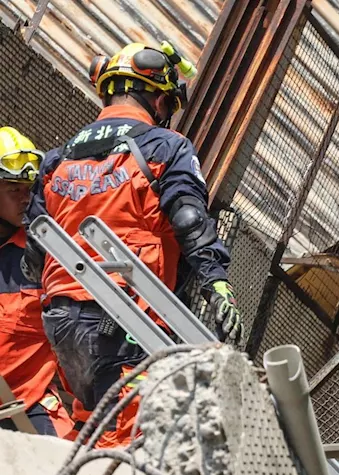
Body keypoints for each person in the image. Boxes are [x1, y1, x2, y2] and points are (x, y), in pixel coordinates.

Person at [23, 41, 240, 447]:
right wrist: (216, 283)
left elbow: (35, 248)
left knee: (93, 423)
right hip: (127, 315)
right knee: (128, 439)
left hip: (62, 318)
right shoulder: (164, 146)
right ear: (157, 98)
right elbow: (189, 218)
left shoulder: (57, 159)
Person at [0, 126, 74, 438]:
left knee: (65, 468)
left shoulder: (44, 255)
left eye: (28, 189)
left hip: (25, 404)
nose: (25, 199)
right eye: (13, 190)